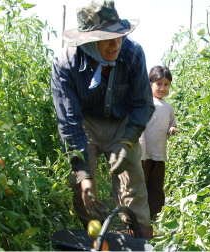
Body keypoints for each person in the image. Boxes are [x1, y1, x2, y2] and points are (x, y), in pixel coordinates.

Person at [50, 0, 155, 239]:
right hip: (85, 124)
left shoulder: (132, 53)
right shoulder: (66, 64)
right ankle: (96, 238)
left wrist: (127, 141)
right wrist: (84, 176)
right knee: (83, 188)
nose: (116, 43)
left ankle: (140, 237)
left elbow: (142, 104)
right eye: (107, 37)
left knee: (133, 181)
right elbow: (69, 123)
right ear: (87, 40)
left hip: (122, 122)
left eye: (119, 35)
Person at [139, 66, 178, 219]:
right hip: (143, 153)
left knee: (156, 186)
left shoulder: (168, 108)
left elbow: (172, 124)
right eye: (158, 84)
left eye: (166, 84)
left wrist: (173, 128)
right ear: (150, 84)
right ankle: (137, 217)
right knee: (141, 185)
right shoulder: (145, 103)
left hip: (159, 154)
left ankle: (154, 215)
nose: (162, 88)